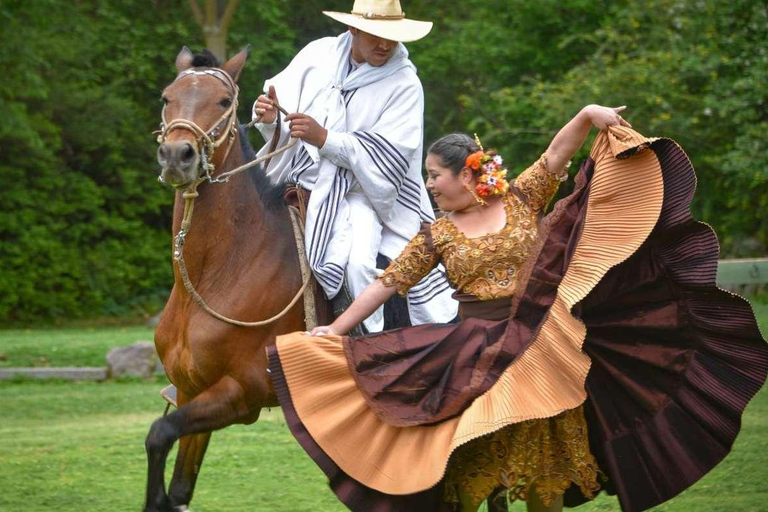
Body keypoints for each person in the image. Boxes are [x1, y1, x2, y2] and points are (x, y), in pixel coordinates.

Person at [266, 103, 768, 511]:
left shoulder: (523, 199)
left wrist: (588, 114)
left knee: (542, 483)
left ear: (468, 174)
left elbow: (555, 154)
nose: (430, 185)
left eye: (435, 175)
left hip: (540, 349)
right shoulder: (437, 233)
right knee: (466, 483)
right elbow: (387, 284)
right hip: (472, 355)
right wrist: (336, 330)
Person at [251, 0, 457, 333]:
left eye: (392, 36)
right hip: (299, 177)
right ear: (354, 29)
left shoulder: (405, 84)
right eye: (376, 34)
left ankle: (365, 346)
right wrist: (270, 119)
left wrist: (326, 139)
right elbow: (282, 114)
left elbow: (391, 157)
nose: (385, 44)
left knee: (358, 263)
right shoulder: (317, 56)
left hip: (366, 195)